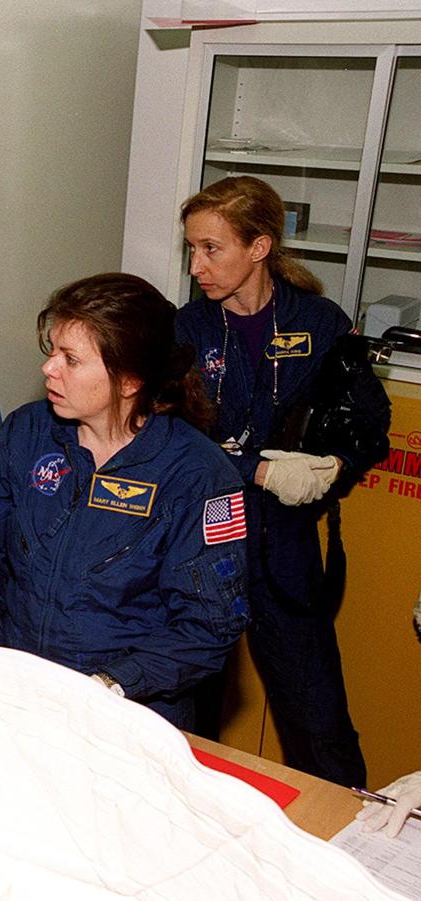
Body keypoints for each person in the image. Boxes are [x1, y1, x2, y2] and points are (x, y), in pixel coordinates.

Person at [0, 273, 249, 728]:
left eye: (71, 359)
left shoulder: (198, 476)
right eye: (52, 351)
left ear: (130, 379)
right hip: (15, 697)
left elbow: (209, 625)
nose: (49, 368)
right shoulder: (27, 433)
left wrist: (110, 685)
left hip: (128, 714)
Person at [177, 175, 390, 786]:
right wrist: (259, 469)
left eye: (211, 248)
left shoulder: (320, 323)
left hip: (283, 540)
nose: (197, 264)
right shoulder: (187, 330)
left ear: (260, 247)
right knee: (189, 712)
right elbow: (173, 442)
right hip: (206, 537)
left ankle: (350, 845)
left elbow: (369, 419)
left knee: (317, 715)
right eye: (191, 248)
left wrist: (335, 466)